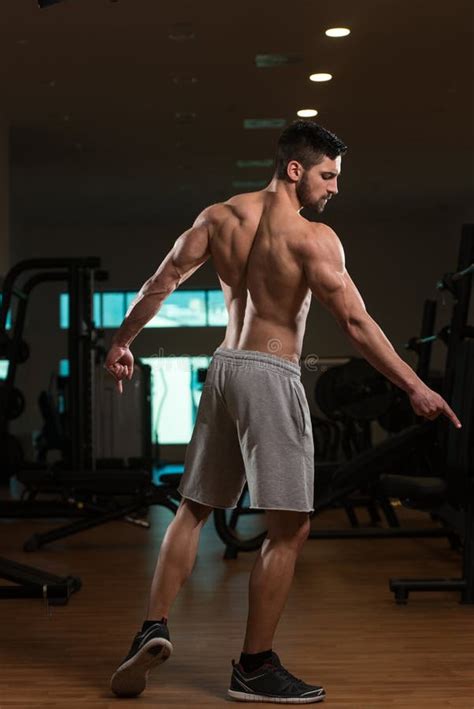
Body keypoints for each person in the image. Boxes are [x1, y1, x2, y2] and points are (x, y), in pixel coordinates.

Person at [105, 120, 461, 703]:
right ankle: (254, 665)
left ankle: (152, 624)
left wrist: (121, 343)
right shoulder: (313, 239)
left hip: (224, 368)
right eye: (328, 175)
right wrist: (415, 386)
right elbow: (354, 323)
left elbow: (161, 280)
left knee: (193, 509)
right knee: (290, 527)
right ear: (295, 169)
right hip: (271, 374)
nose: (334, 189)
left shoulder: (218, 217)